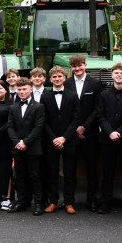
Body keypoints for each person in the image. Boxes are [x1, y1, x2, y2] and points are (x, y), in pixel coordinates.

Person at [97, 63, 122, 215]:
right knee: (107, 172)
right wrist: (110, 132)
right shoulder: (104, 94)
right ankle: (105, 202)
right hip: (107, 140)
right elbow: (100, 116)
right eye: (116, 73)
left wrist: (119, 132)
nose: (119, 75)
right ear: (112, 75)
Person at [42, 66, 80, 214]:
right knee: (52, 172)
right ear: (50, 79)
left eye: (59, 76)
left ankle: (69, 202)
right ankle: (53, 201)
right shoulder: (45, 97)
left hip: (69, 140)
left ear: (64, 78)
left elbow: (76, 118)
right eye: (54, 77)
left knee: (70, 172)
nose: (57, 79)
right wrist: (53, 138)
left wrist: (64, 137)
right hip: (51, 140)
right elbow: (43, 120)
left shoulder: (72, 95)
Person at [66, 55, 103, 211]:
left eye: (80, 65)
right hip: (71, 133)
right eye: (74, 66)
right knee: (70, 169)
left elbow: (98, 108)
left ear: (85, 65)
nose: (77, 69)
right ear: (71, 68)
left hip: (90, 133)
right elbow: (66, 109)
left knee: (91, 167)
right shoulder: (66, 84)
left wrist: (85, 127)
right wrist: (75, 128)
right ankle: (69, 200)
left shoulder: (95, 84)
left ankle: (92, 199)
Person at [6, 78, 45, 214]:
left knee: (35, 176)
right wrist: (17, 142)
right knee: (20, 176)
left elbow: (38, 127)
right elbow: (10, 126)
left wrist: (25, 142)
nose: (22, 92)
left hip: (33, 147)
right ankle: (22, 201)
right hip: (17, 147)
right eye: (20, 89)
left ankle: (38, 203)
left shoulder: (38, 107)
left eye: (24, 89)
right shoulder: (13, 107)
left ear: (30, 89)